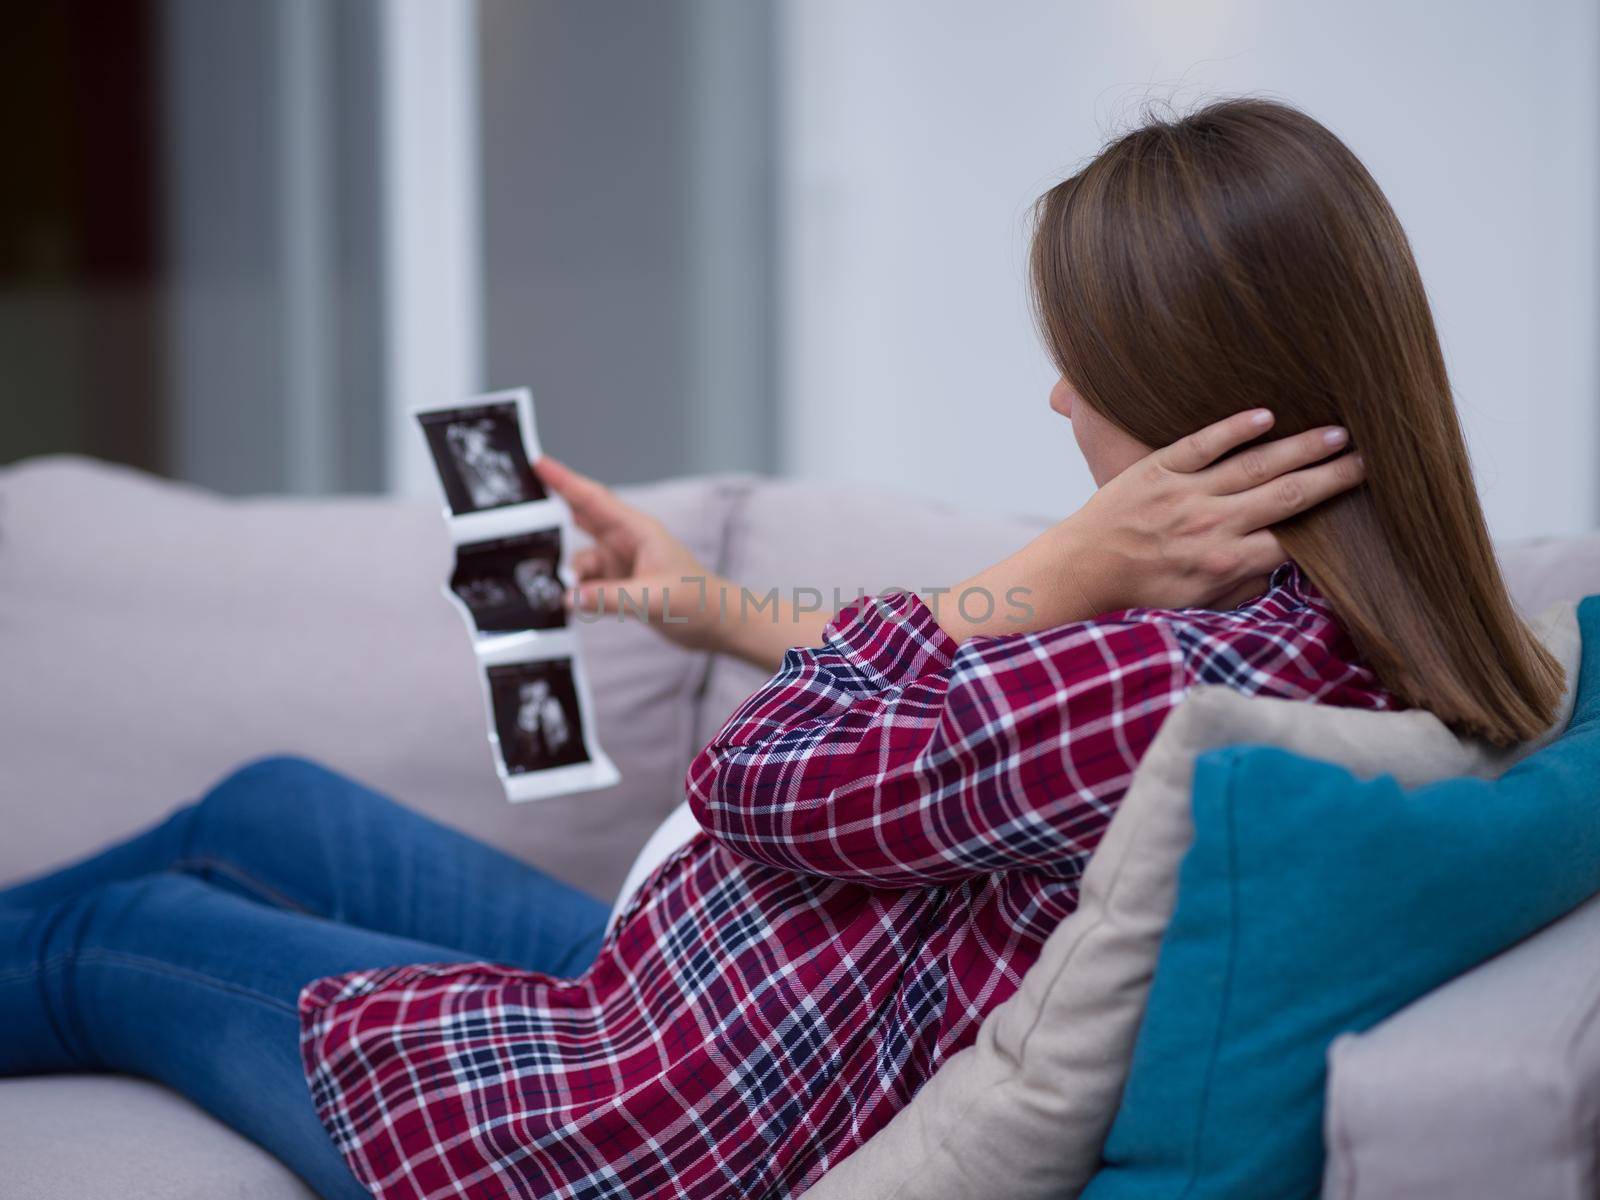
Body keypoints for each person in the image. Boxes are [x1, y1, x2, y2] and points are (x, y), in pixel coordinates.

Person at [0, 99, 1561, 1200]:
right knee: (275, 805)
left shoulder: (1159, 682)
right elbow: (946, 709)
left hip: (629, 1115)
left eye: (1080, 368)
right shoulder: (1302, 635)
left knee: (122, 932)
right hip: (707, 1004)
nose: (1060, 405)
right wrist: (719, 610)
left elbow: (758, 777)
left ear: (1194, 392)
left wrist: (1048, 565)